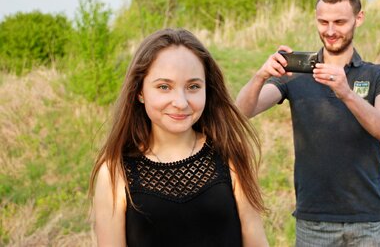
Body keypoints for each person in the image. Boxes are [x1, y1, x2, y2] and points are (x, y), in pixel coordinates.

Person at [236, 0, 380, 246]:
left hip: (369, 220)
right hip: (313, 222)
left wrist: (346, 92)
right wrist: (261, 75)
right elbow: (242, 112)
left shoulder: (379, 75)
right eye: (323, 22)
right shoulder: (296, 74)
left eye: (339, 22)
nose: (331, 31)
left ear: (359, 18)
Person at [89, 28, 269, 247]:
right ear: (140, 92)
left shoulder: (229, 153)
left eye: (193, 87)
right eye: (164, 87)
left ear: (207, 89)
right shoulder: (115, 171)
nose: (181, 102)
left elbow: (255, 240)